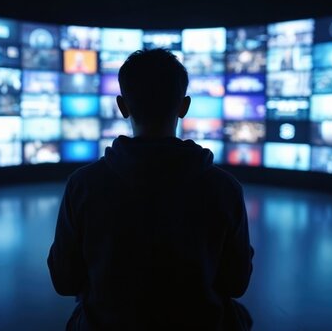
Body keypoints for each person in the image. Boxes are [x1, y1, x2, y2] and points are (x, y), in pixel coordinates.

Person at [48, 48, 254, 330]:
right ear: (184, 106)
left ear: (122, 106)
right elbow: (237, 283)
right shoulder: (225, 188)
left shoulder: (83, 185)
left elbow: (64, 280)